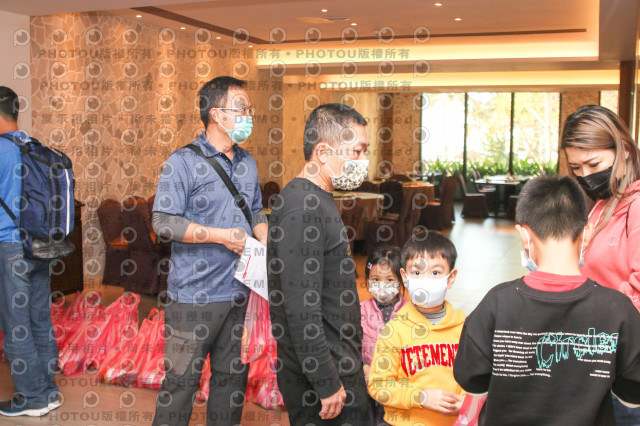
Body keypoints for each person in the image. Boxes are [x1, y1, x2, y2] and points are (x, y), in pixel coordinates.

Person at [453, 176, 640, 425]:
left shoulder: (496, 304)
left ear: (524, 236)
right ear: (587, 233)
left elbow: (472, 383)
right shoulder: (619, 309)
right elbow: (632, 396)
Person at [151, 76, 267, 426]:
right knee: (181, 382)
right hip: (193, 296)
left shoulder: (247, 162)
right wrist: (220, 236)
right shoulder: (183, 161)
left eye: (249, 109)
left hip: (239, 291)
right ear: (216, 113)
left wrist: (266, 241)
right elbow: (163, 222)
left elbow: (256, 212)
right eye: (241, 108)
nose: (248, 115)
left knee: (231, 381)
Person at [267, 103, 374, 425]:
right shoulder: (303, 208)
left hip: (338, 361)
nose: (363, 161)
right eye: (357, 151)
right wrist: (326, 382)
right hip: (324, 375)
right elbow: (301, 309)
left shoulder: (315, 198)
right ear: (324, 152)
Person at [561, 104, 640, 424]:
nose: (585, 176)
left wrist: (597, 316)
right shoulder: (603, 204)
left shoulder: (636, 206)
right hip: (600, 357)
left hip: (625, 363)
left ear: (623, 151)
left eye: (593, 164)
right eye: (576, 168)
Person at [0, 86, 61, 416]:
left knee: (17, 326)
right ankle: (48, 392)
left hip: (10, 247)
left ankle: (33, 398)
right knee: (39, 320)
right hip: (40, 245)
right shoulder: (33, 146)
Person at [368, 232, 465, 426]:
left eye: (435, 273)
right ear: (405, 277)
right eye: (417, 273)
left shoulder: (464, 327)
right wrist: (420, 397)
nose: (425, 280)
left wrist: (467, 401)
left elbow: (476, 379)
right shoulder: (394, 330)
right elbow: (379, 386)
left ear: (450, 278)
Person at [361, 246, 407, 425]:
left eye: (389, 279)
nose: (382, 285)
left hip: (398, 386)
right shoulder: (360, 310)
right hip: (368, 383)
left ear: (400, 280)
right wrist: (363, 366)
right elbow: (352, 343)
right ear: (368, 280)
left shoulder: (409, 313)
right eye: (376, 279)